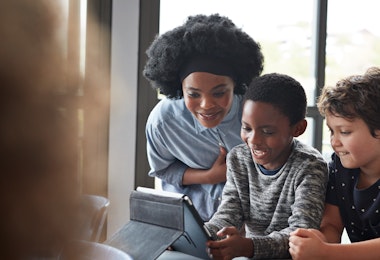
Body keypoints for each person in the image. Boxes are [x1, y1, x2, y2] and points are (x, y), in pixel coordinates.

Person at [143, 14, 264, 221]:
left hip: (250, 227)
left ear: (235, 85)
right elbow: (163, 170)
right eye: (193, 94)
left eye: (219, 93)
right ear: (179, 89)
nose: (207, 105)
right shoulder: (164, 121)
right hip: (190, 226)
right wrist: (210, 177)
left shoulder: (256, 112)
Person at [205, 73, 329, 259]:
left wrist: (249, 247)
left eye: (267, 131)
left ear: (298, 129)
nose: (253, 140)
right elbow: (228, 212)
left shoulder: (310, 166)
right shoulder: (238, 159)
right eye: (246, 128)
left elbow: (301, 232)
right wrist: (203, 235)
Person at [289, 67, 380, 260]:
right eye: (331, 131)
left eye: (345, 132)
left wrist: (327, 252)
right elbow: (332, 225)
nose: (334, 142)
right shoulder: (340, 167)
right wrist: (316, 242)